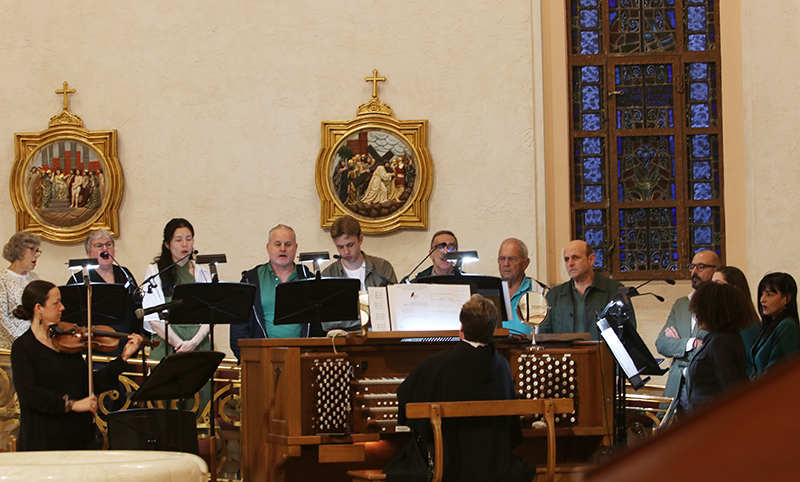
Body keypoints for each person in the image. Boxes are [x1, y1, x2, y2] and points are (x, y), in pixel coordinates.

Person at [386, 294, 530, 482]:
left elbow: (405, 400)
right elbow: (511, 428)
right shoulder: (502, 365)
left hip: (449, 466)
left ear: (461, 327)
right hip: (497, 466)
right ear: (493, 329)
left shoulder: (437, 363)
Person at [11, 280, 143, 450]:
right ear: (38, 308)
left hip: (80, 435)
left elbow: (89, 383)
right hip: (46, 439)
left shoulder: (66, 342)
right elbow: (30, 394)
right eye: (56, 302)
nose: (62, 307)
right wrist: (72, 405)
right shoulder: (24, 347)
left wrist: (123, 358)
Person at [230, 224, 312, 361]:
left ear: (296, 248)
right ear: (268, 248)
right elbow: (238, 326)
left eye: (288, 244)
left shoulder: (308, 279)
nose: (283, 249)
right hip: (262, 359)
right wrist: (246, 358)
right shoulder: (250, 280)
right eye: (277, 244)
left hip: (303, 358)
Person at [655, 249, 720, 401]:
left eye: (701, 266)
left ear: (716, 270)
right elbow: (661, 344)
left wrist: (679, 345)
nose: (694, 271)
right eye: (692, 266)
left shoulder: (719, 306)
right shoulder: (681, 304)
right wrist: (691, 343)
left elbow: (712, 350)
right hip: (676, 386)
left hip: (703, 389)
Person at [66, 229, 142, 357]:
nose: (105, 249)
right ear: (89, 254)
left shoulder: (124, 273)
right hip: (97, 347)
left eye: (109, 244)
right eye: (99, 246)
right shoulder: (78, 279)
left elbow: (136, 304)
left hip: (126, 343)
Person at [141, 218, 211, 357]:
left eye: (188, 239)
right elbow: (153, 318)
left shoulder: (202, 271)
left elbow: (210, 314)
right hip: (166, 343)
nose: (185, 244)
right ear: (167, 244)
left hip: (199, 343)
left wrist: (193, 343)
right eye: (178, 240)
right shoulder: (155, 271)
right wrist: (180, 344)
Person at [678, 281, 750, 414]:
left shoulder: (721, 342)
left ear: (714, 311)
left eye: (700, 308)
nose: (696, 314)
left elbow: (731, 390)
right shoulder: (718, 338)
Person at [541, 240, 633, 341]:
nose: (570, 263)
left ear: (591, 259)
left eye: (576, 257)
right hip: (566, 356)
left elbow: (627, 335)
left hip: (602, 356)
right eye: (567, 259)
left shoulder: (614, 291)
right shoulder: (554, 295)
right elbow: (545, 337)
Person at [322, 215, 397, 290]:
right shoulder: (328, 274)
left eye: (350, 245)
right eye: (340, 247)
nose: (346, 252)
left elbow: (394, 299)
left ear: (360, 239)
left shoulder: (383, 267)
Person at [711, 266, 762, 376]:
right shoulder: (727, 322)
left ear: (733, 288)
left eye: (717, 283)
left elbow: (751, 366)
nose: (712, 289)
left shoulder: (747, 325)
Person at [750, 272, 800, 377]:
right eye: (762, 294)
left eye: (769, 295)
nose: (762, 300)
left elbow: (776, 370)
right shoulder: (770, 325)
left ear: (787, 298)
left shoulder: (787, 326)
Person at [0, 232, 42, 349]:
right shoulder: (2, 279)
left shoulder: (34, 278)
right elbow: (2, 319)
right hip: (11, 346)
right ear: (18, 251)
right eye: (32, 249)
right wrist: (23, 343)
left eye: (38, 250)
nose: (37, 255)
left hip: (36, 342)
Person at [497, 238, 534, 334]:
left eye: (512, 259)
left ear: (525, 263)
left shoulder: (538, 291)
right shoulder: (489, 290)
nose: (506, 264)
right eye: (502, 259)